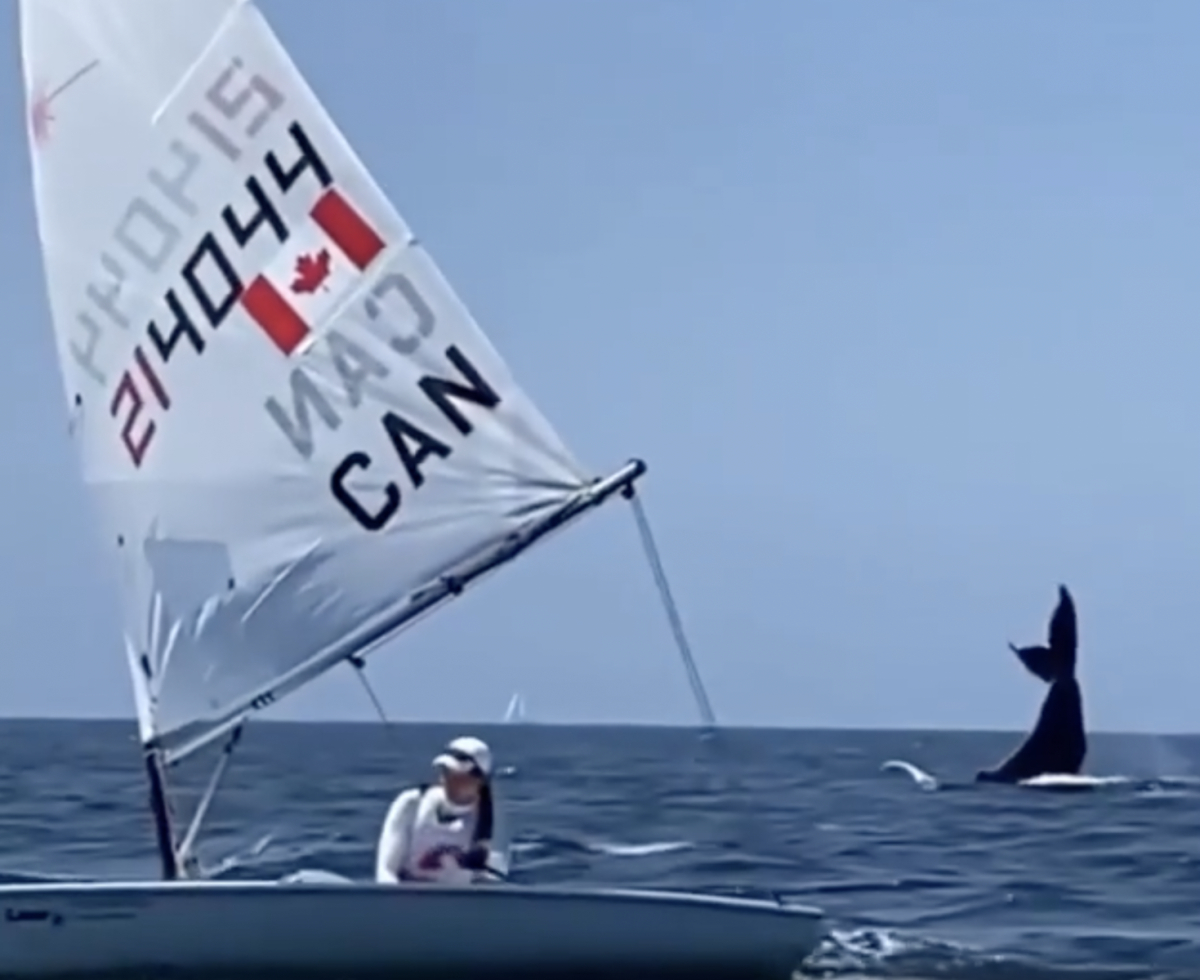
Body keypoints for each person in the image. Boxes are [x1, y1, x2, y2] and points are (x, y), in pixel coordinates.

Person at [374, 735, 501, 884]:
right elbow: (385, 871)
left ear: (480, 780)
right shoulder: (411, 803)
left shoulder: (493, 822)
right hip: (404, 895)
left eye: (459, 775)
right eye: (446, 771)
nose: (449, 780)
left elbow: (493, 881)